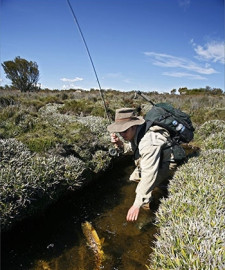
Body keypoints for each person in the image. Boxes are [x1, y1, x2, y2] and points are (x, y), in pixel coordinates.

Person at [107, 108, 177, 222]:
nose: (122, 134)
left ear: (133, 125)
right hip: (152, 159)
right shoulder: (137, 131)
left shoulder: (149, 141)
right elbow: (133, 148)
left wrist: (136, 204)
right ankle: (158, 187)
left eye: (124, 130)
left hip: (166, 163)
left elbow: (149, 174)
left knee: (145, 191)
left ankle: (150, 213)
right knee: (134, 178)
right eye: (120, 131)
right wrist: (119, 144)